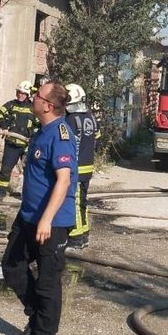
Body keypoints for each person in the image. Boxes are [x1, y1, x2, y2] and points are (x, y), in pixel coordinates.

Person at [1, 81, 77, 335]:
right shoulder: (41, 130)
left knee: (47, 283)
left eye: (38, 94)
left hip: (52, 222)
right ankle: (36, 311)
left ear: (48, 106)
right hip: (28, 217)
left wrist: (46, 219)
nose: (33, 96)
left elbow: (63, 180)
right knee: (12, 267)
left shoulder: (61, 133)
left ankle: (42, 331)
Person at [65, 83, 100, 250]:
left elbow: (65, 142)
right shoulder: (91, 117)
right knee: (82, 202)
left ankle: (76, 237)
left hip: (76, 168)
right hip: (88, 166)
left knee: (75, 202)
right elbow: (97, 138)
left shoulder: (71, 119)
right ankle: (84, 233)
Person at [0, 80, 37, 200]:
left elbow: (40, 124)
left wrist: (34, 137)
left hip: (27, 145)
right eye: (18, 92)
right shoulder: (11, 104)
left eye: (23, 93)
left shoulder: (33, 108)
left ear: (28, 94)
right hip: (12, 143)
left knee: (29, 171)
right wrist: (3, 124)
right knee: (5, 169)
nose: (20, 95)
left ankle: (28, 195)